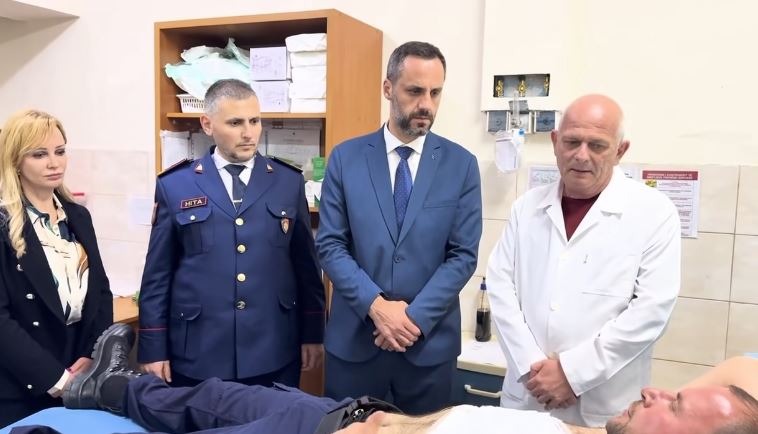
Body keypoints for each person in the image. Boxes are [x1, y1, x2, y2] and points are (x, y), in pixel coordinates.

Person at [14, 324, 758, 434]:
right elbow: (739, 377)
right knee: (211, 396)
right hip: (352, 409)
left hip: (347, 430)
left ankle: (82, 404)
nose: (658, 389)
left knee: (212, 414)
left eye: (673, 404)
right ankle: (101, 387)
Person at [486, 94, 682, 427]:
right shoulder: (526, 208)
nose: (581, 155)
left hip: (603, 407)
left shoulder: (654, 212)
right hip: (528, 396)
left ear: (620, 151)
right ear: (555, 142)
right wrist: (532, 368)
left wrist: (571, 374)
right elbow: (501, 287)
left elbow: (651, 310)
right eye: (572, 142)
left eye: (597, 145)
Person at [315, 41, 482, 414]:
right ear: (388, 89)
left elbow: (462, 256)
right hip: (355, 346)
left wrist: (413, 318)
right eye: (415, 91)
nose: (426, 104)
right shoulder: (346, 158)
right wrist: (376, 307)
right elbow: (330, 245)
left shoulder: (461, 165)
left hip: (427, 349)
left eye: (435, 93)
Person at [137, 79, 325, 388]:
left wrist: (313, 333)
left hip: (273, 347)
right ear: (207, 124)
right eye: (235, 123)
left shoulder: (287, 182)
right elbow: (158, 274)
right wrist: (153, 347)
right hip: (199, 351)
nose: (249, 133)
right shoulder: (176, 185)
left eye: (255, 121)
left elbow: (306, 267)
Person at [0, 109, 113, 425]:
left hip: (78, 370)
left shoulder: (78, 216)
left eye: (60, 151)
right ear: (15, 161)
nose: (54, 163)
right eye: (39, 155)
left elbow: (101, 292)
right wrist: (56, 379)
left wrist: (93, 354)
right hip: (22, 383)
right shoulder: (4, 224)